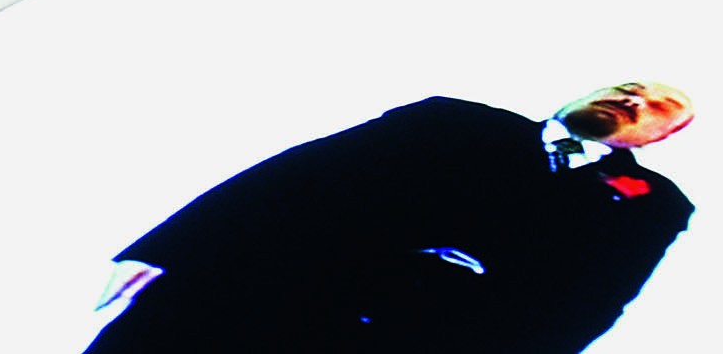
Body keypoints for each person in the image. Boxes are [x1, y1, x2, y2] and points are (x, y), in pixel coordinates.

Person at [89, 82, 695, 352]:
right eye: (628, 85)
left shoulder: (650, 205)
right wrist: (164, 252)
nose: (633, 98)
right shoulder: (451, 120)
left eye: (656, 105)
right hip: (243, 300)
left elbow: (588, 307)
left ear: (660, 136)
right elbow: (291, 176)